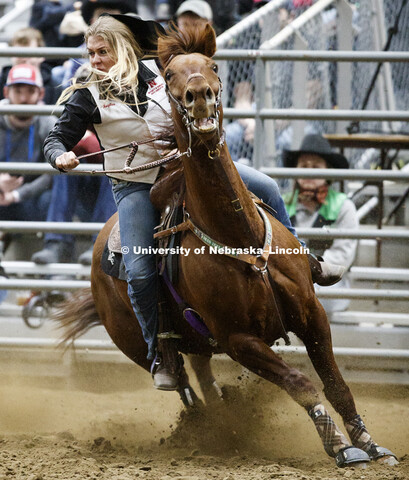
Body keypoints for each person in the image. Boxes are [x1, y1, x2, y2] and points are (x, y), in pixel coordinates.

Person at [43, 14, 343, 391]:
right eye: (91, 53)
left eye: (102, 52)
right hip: (135, 186)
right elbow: (56, 138)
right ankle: (161, 351)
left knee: (265, 186)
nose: (95, 60)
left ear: (123, 51)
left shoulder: (162, 72)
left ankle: (304, 259)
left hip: (188, 167)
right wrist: (60, 156)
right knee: (137, 267)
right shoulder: (86, 96)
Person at [282, 134, 358, 313]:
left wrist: (303, 274)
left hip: (327, 284)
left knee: (316, 298)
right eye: (304, 166)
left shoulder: (344, 207)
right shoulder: (282, 204)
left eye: (316, 167)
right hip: (287, 280)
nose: (309, 172)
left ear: (328, 172)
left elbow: (342, 257)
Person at [31, 130, 117, 265]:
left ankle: (100, 245)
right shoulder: (78, 111)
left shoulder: (120, 110)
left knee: (113, 169)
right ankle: (57, 242)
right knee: (64, 163)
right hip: (82, 198)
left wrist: (94, 144)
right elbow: (58, 138)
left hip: (113, 194)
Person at [0, 64, 55, 222]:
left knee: (50, 197)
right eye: (17, 91)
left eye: (30, 91)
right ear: (6, 92)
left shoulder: (48, 122)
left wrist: (17, 195)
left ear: (41, 93)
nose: (23, 99)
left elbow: (53, 174)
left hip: (31, 196)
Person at [0, 27, 58, 105]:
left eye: (29, 54)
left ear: (42, 56)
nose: (23, 58)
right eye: (18, 53)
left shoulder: (55, 86)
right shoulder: (1, 81)